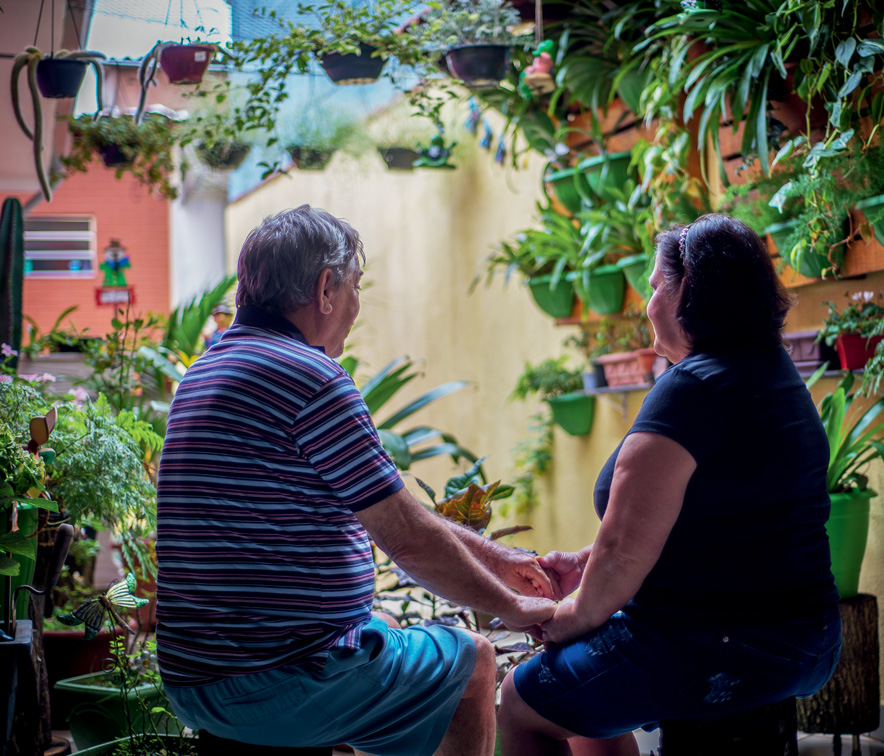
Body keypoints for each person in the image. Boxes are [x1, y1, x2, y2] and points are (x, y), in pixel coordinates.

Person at [155, 205, 556, 756]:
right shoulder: (310, 377)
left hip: (194, 675)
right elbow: (407, 539)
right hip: (270, 681)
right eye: (355, 286)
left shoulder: (205, 371)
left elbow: (396, 511)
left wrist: (500, 560)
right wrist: (513, 608)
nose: (355, 304)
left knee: (381, 623)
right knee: (475, 661)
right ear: (326, 289)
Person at [498, 214, 843, 756]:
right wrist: (587, 565)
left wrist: (566, 617)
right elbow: (714, 523)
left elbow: (623, 551)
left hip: (716, 643)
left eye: (657, 286)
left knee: (520, 700)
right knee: (585, 694)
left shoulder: (692, 387)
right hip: (809, 639)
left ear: (691, 294)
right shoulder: (774, 372)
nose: (648, 304)